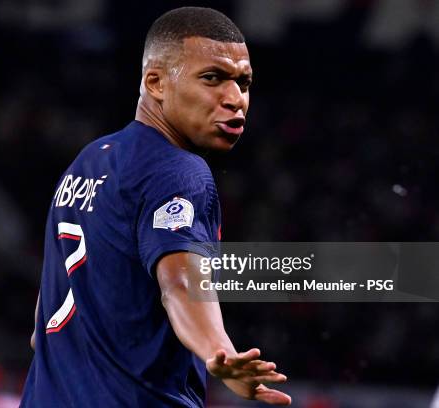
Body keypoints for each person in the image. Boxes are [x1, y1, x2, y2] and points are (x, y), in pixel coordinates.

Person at [20, 7, 291, 407]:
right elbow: (179, 283)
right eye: (212, 78)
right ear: (156, 82)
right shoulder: (178, 172)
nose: (235, 99)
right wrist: (220, 351)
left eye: (244, 82)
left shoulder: (87, 162)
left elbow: (40, 327)